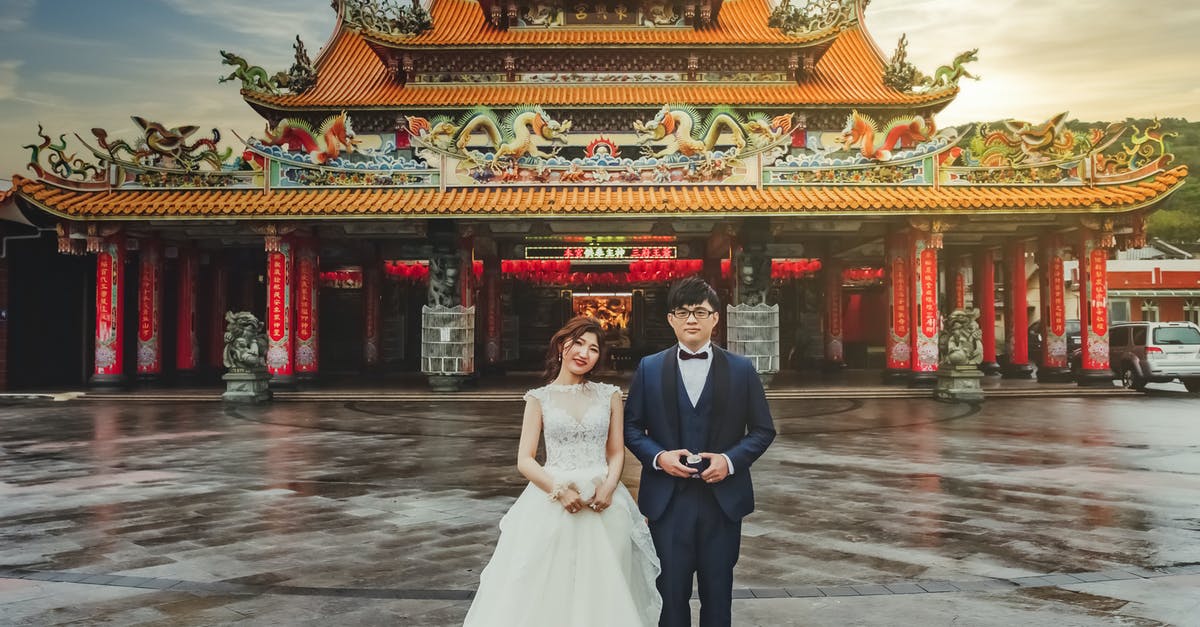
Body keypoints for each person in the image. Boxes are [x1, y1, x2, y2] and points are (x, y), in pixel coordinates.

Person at [464, 316, 661, 627]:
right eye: (578, 343)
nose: (584, 353)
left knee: (605, 585)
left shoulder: (609, 395)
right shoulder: (538, 398)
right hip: (552, 500)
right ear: (561, 345)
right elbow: (525, 460)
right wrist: (560, 490)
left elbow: (615, 450)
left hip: (603, 502)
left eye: (593, 348)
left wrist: (610, 486)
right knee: (545, 585)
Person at [624, 277, 776, 627]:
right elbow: (632, 427)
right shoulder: (649, 368)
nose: (691, 319)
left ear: (715, 318)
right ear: (671, 320)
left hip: (722, 504)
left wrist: (729, 461)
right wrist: (659, 457)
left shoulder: (741, 369)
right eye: (683, 312)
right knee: (670, 598)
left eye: (700, 312)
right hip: (668, 503)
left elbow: (763, 429)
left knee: (718, 597)